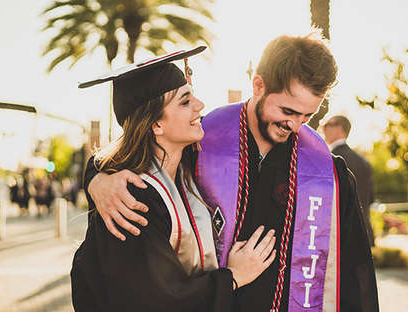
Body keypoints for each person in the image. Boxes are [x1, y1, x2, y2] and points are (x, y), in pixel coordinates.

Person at [85, 33, 379, 311]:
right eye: (287, 111)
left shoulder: (327, 173)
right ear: (258, 85)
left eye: (308, 115)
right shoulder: (200, 144)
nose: (296, 126)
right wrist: (96, 178)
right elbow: (132, 154)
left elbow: (355, 273)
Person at [71, 47, 276, 312]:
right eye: (185, 101)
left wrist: (94, 178)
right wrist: (232, 278)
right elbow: (156, 299)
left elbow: (100, 163)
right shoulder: (131, 200)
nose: (200, 106)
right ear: (156, 124)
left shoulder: (186, 168)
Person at [322, 115, 375, 246]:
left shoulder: (328, 159)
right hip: (362, 232)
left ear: (340, 129)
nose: (324, 128)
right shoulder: (363, 162)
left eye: (328, 124)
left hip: (337, 235)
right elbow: (371, 198)